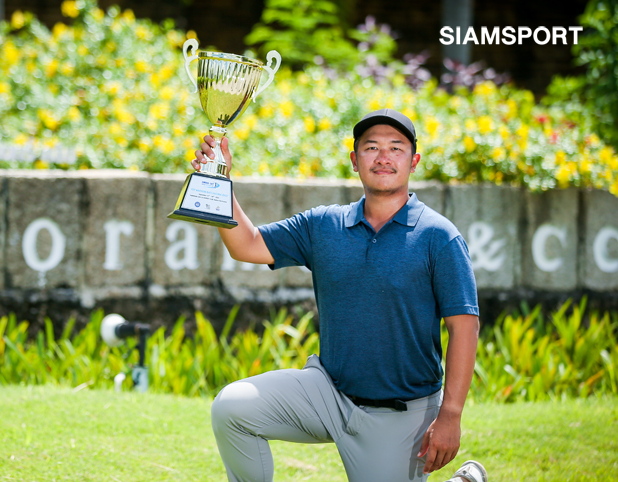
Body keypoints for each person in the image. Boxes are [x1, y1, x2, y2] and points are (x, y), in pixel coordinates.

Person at [191, 109, 488, 482]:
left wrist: (451, 415)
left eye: (396, 148)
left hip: (399, 413)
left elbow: (465, 327)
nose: (383, 157)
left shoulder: (439, 237)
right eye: (371, 147)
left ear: (413, 162)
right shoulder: (323, 225)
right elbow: (247, 245)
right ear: (354, 160)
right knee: (232, 409)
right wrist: (220, 179)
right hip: (326, 392)